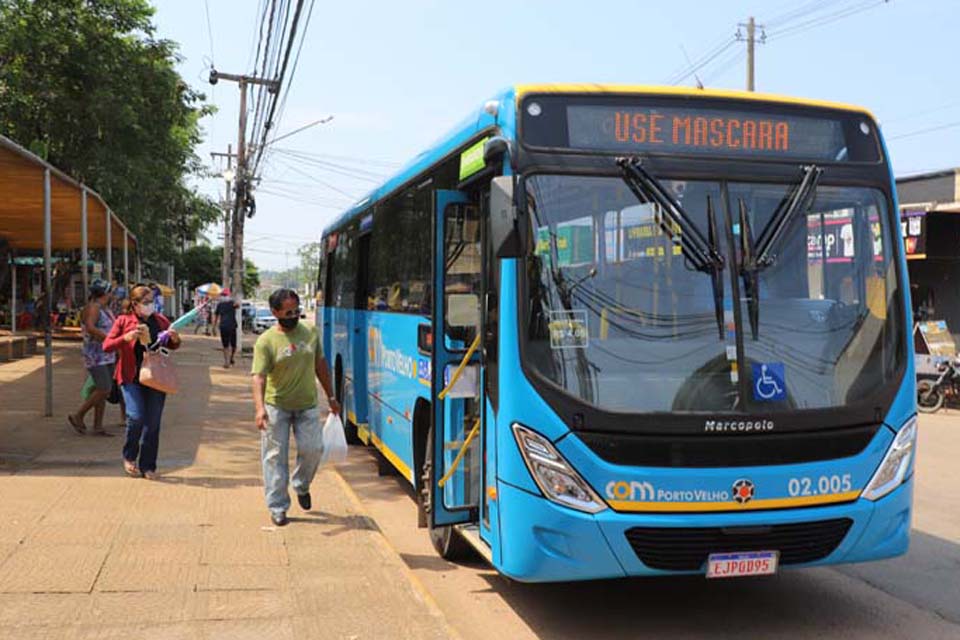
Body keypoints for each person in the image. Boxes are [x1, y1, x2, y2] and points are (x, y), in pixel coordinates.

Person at [251, 288, 340, 526]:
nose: (293, 315)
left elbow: (320, 365)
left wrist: (331, 397)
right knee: (274, 458)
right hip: (276, 407)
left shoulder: (310, 332)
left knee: (313, 449)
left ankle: (301, 485)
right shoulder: (266, 341)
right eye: (287, 312)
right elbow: (258, 377)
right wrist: (260, 409)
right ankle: (278, 506)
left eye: (296, 311)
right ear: (275, 312)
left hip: (307, 405)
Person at [103, 285, 181, 479]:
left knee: (153, 423)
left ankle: (148, 466)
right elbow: (107, 345)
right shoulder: (123, 320)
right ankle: (129, 455)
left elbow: (173, 345)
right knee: (136, 416)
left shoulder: (161, 320)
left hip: (156, 377)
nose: (149, 305)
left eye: (151, 301)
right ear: (135, 304)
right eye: (145, 302)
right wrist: (126, 337)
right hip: (131, 377)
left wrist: (175, 338)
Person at [68, 279, 117, 437]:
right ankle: (79, 415)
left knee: (101, 390)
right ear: (105, 293)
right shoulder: (94, 308)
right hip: (96, 355)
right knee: (104, 388)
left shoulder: (105, 308)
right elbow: (90, 327)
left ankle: (98, 425)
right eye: (110, 291)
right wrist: (107, 338)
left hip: (107, 354)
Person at [213, 288, 240, 368]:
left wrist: (234, 299)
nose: (224, 296)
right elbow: (216, 316)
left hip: (232, 326)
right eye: (223, 295)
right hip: (224, 326)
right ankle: (226, 362)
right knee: (225, 345)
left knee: (233, 346)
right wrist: (214, 327)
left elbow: (238, 305)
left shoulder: (232, 303)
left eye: (225, 295)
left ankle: (231, 358)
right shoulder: (220, 305)